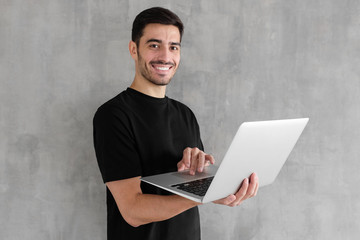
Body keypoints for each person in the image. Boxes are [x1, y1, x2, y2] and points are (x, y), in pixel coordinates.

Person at [93, 7, 259, 240]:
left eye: (173, 47)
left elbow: (194, 183)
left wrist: (208, 180)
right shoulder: (113, 115)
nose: (165, 56)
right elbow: (132, 210)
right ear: (134, 49)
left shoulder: (185, 114)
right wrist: (203, 195)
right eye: (154, 45)